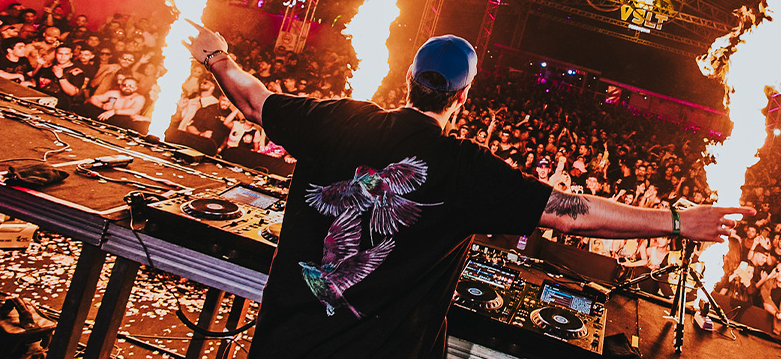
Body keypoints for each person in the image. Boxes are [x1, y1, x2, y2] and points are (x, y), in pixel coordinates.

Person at [182, 21, 746, 358]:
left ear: (409, 77)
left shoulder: (338, 119)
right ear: (463, 96)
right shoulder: (463, 168)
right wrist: (677, 222)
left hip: (284, 342)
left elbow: (253, 100)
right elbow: (569, 213)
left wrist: (215, 55)